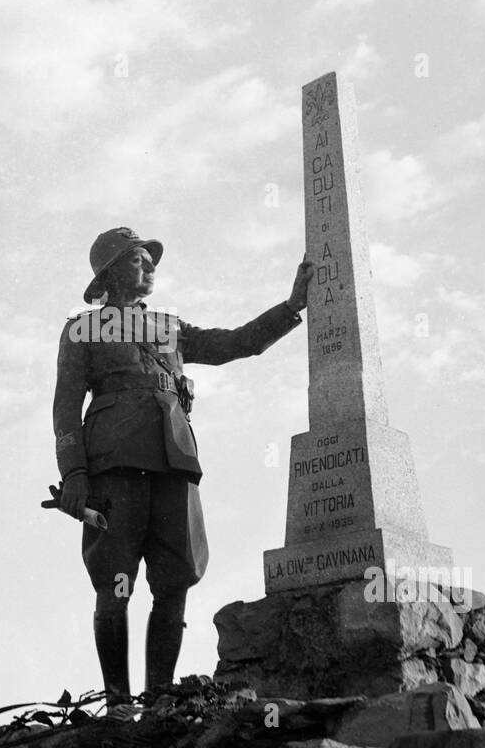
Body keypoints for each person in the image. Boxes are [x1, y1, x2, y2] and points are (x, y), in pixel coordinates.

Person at [53, 227, 311, 720]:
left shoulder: (168, 328)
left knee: (174, 583)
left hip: (174, 463)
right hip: (113, 467)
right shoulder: (81, 330)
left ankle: (158, 703)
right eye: (137, 259)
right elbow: (65, 408)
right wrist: (74, 475)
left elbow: (235, 343)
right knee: (116, 581)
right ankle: (118, 705)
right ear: (109, 272)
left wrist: (290, 306)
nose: (150, 267)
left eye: (152, 261)